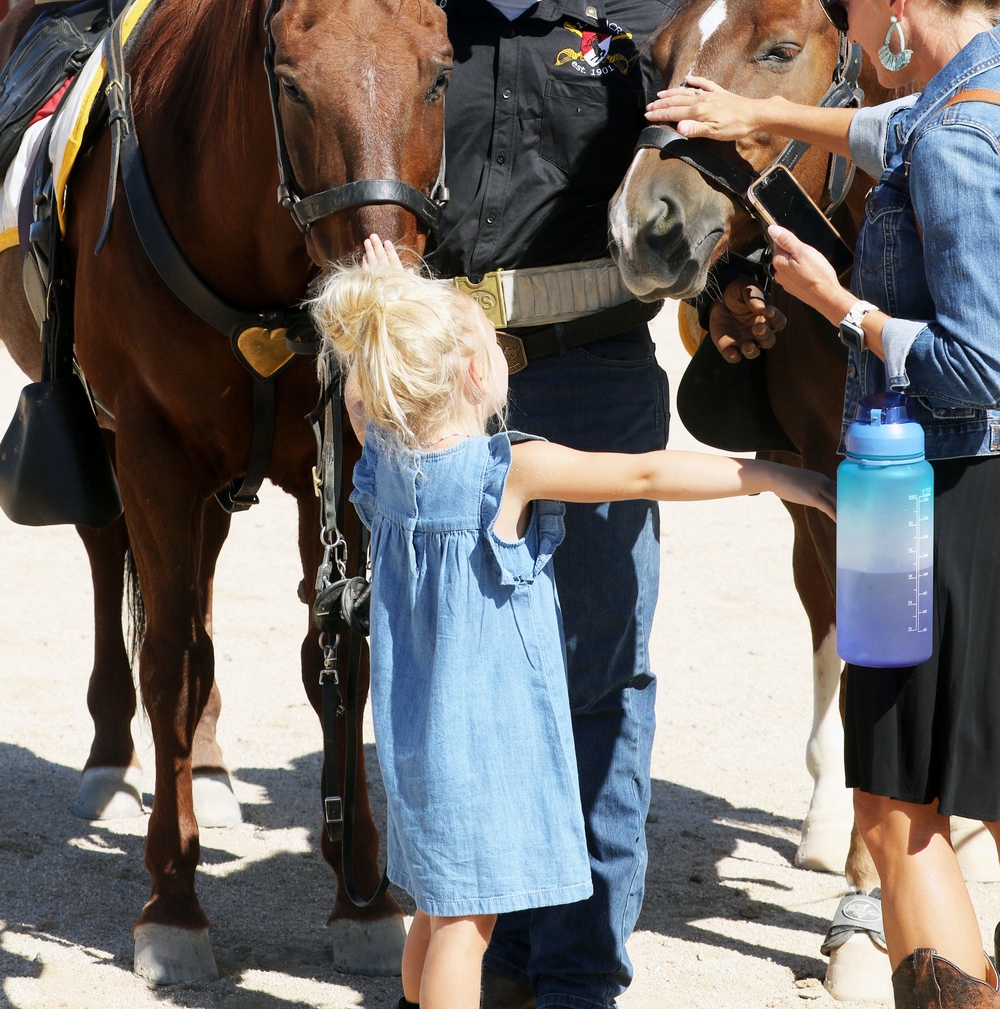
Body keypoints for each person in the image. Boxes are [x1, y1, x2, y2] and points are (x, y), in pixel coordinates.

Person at [647, 0, 1000, 1009]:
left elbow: (975, 363)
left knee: (895, 815)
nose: (842, 28)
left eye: (844, 0)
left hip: (925, 500)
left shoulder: (957, 140)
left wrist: (838, 306)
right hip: (955, 497)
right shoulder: (969, 90)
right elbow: (887, 130)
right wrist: (754, 113)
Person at [313, 235, 835, 1009]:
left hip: (416, 740)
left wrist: (387, 302)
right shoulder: (504, 472)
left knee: (435, 913)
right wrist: (782, 477)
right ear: (474, 372)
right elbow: (646, 472)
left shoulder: (380, 459)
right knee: (468, 929)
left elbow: (362, 392)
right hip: (484, 745)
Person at [393, 0, 678, 1009]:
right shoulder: (412, 26)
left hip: (602, 377)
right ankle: (498, 936)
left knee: (597, 671)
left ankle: (578, 969)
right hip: (452, 401)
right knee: (473, 680)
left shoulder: (633, 25)